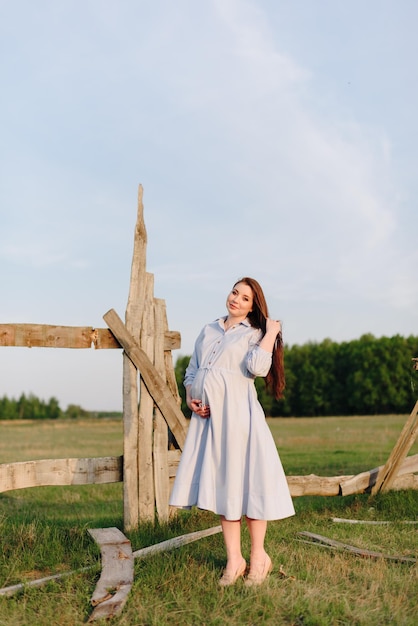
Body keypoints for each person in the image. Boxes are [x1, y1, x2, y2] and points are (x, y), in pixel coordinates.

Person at [169, 277, 295, 586]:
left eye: (245, 297)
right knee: (224, 488)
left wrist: (271, 332)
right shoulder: (209, 329)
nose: (236, 299)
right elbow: (192, 370)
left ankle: (258, 557)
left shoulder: (253, 334)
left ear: (254, 306)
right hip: (209, 421)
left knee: (247, 485)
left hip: (239, 420)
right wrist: (190, 398)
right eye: (234, 292)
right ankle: (234, 560)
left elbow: (258, 368)